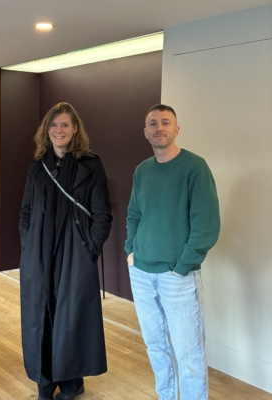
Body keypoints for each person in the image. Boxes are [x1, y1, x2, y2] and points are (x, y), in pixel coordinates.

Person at [125, 104, 220, 400]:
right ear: (145, 132)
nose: (159, 128)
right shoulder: (142, 170)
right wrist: (130, 251)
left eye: (166, 123)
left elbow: (206, 225)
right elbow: (134, 214)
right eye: (153, 124)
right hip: (141, 273)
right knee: (156, 346)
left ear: (176, 129)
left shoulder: (195, 167)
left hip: (177, 277)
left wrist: (183, 266)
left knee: (189, 354)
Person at [19, 102, 113, 400]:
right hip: (39, 251)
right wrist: (27, 243)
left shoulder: (92, 164)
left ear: (75, 129)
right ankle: (45, 383)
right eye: (53, 125)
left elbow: (102, 214)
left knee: (71, 317)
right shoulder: (37, 164)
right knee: (41, 314)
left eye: (64, 125)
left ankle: (72, 383)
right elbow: (26, 210)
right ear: (46, 130)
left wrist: (90, 249)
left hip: (75, 251)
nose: (58, 130)